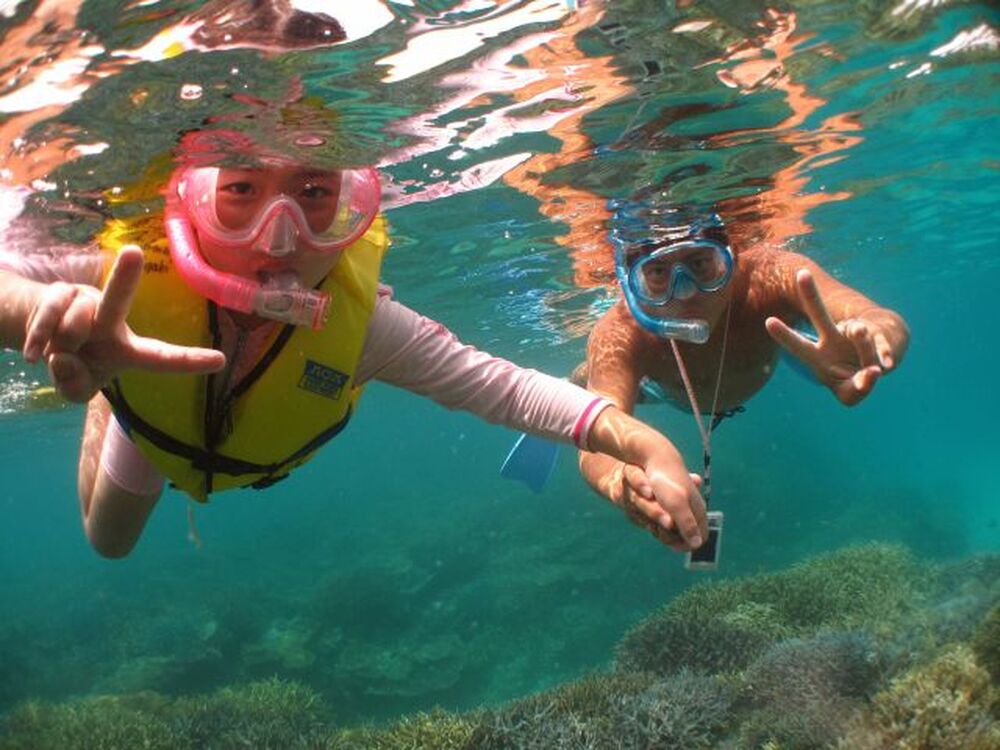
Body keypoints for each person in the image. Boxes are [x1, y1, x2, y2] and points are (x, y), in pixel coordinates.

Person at [0, 130, 710, 559]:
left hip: (193, 425)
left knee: (112, 547)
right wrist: (39, 308)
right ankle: (112, 393)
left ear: (350, 208)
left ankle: (115, 383)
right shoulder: (123, 272)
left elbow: (506, 389)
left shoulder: (362, 326)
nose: (280, 236)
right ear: (189, 201)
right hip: (150, 417)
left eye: (314, 194)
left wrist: (648, 446)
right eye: (241, 191)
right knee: (108, 542)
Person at [571, 200, 910, 551]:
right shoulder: (621, 333)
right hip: (663, 389)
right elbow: (596, 443)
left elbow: (881, 319)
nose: (685, 292)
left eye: (700, 264)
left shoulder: (770, 275)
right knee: (598, 389)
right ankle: (578, 381)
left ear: (731, 255)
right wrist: (618, 481)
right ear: (630, 282)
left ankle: (818, 354)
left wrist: (874, 340)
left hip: (775, 347)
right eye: (657, 273)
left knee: (811, 346)